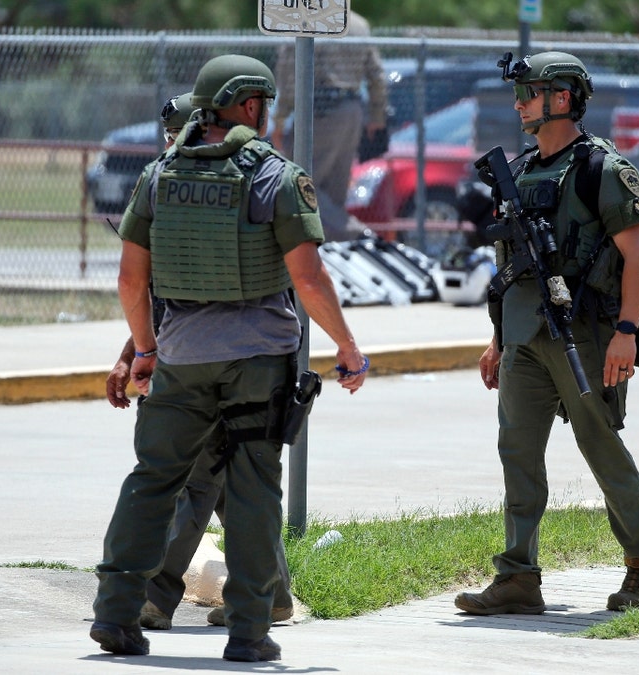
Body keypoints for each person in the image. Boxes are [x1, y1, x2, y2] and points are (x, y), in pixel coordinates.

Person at [91, 53, 369, 662]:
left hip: (180, 358)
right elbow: (311, 278)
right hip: (257, 361)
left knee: (153, 480)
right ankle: (248, 632)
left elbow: (131, 282)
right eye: (263, 104)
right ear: (248, 104)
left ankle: (115, 615)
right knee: (251, 490)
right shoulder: (275, 175)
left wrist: (143, 351)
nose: (267, 115)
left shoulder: (159, 174)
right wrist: (346, 347)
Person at [453, 51, 639, 617]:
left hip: (589, 337)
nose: (519, 101)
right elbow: (508, 271)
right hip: (524, 337)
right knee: (518, 453)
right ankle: (518, 577)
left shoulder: (604, 169)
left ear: (564, 98)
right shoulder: (519, 171)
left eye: (530, 91)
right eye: (520, 91)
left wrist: (626, 331)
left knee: (600, 444)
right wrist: (498, 340)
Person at [103, 91, 295, 634]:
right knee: (232, 487)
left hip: (219, 363)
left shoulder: (238, 186)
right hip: (190, 357)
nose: (170, 145)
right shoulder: (174, 181)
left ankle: (151, 597)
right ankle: (271, 594)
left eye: (177, 133)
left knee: (190, 483)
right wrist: (130, 355)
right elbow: (158, 294)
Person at [270, 10, 387, 241]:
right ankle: (333, 249)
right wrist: (376, 116)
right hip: (352, 109)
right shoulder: (359, 24)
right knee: (334, 190)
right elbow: (377, 75)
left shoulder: (305, 18)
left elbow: (290, 74)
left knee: (298, 182)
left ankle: (353, 233)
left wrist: (280, 119)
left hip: (319, 110)